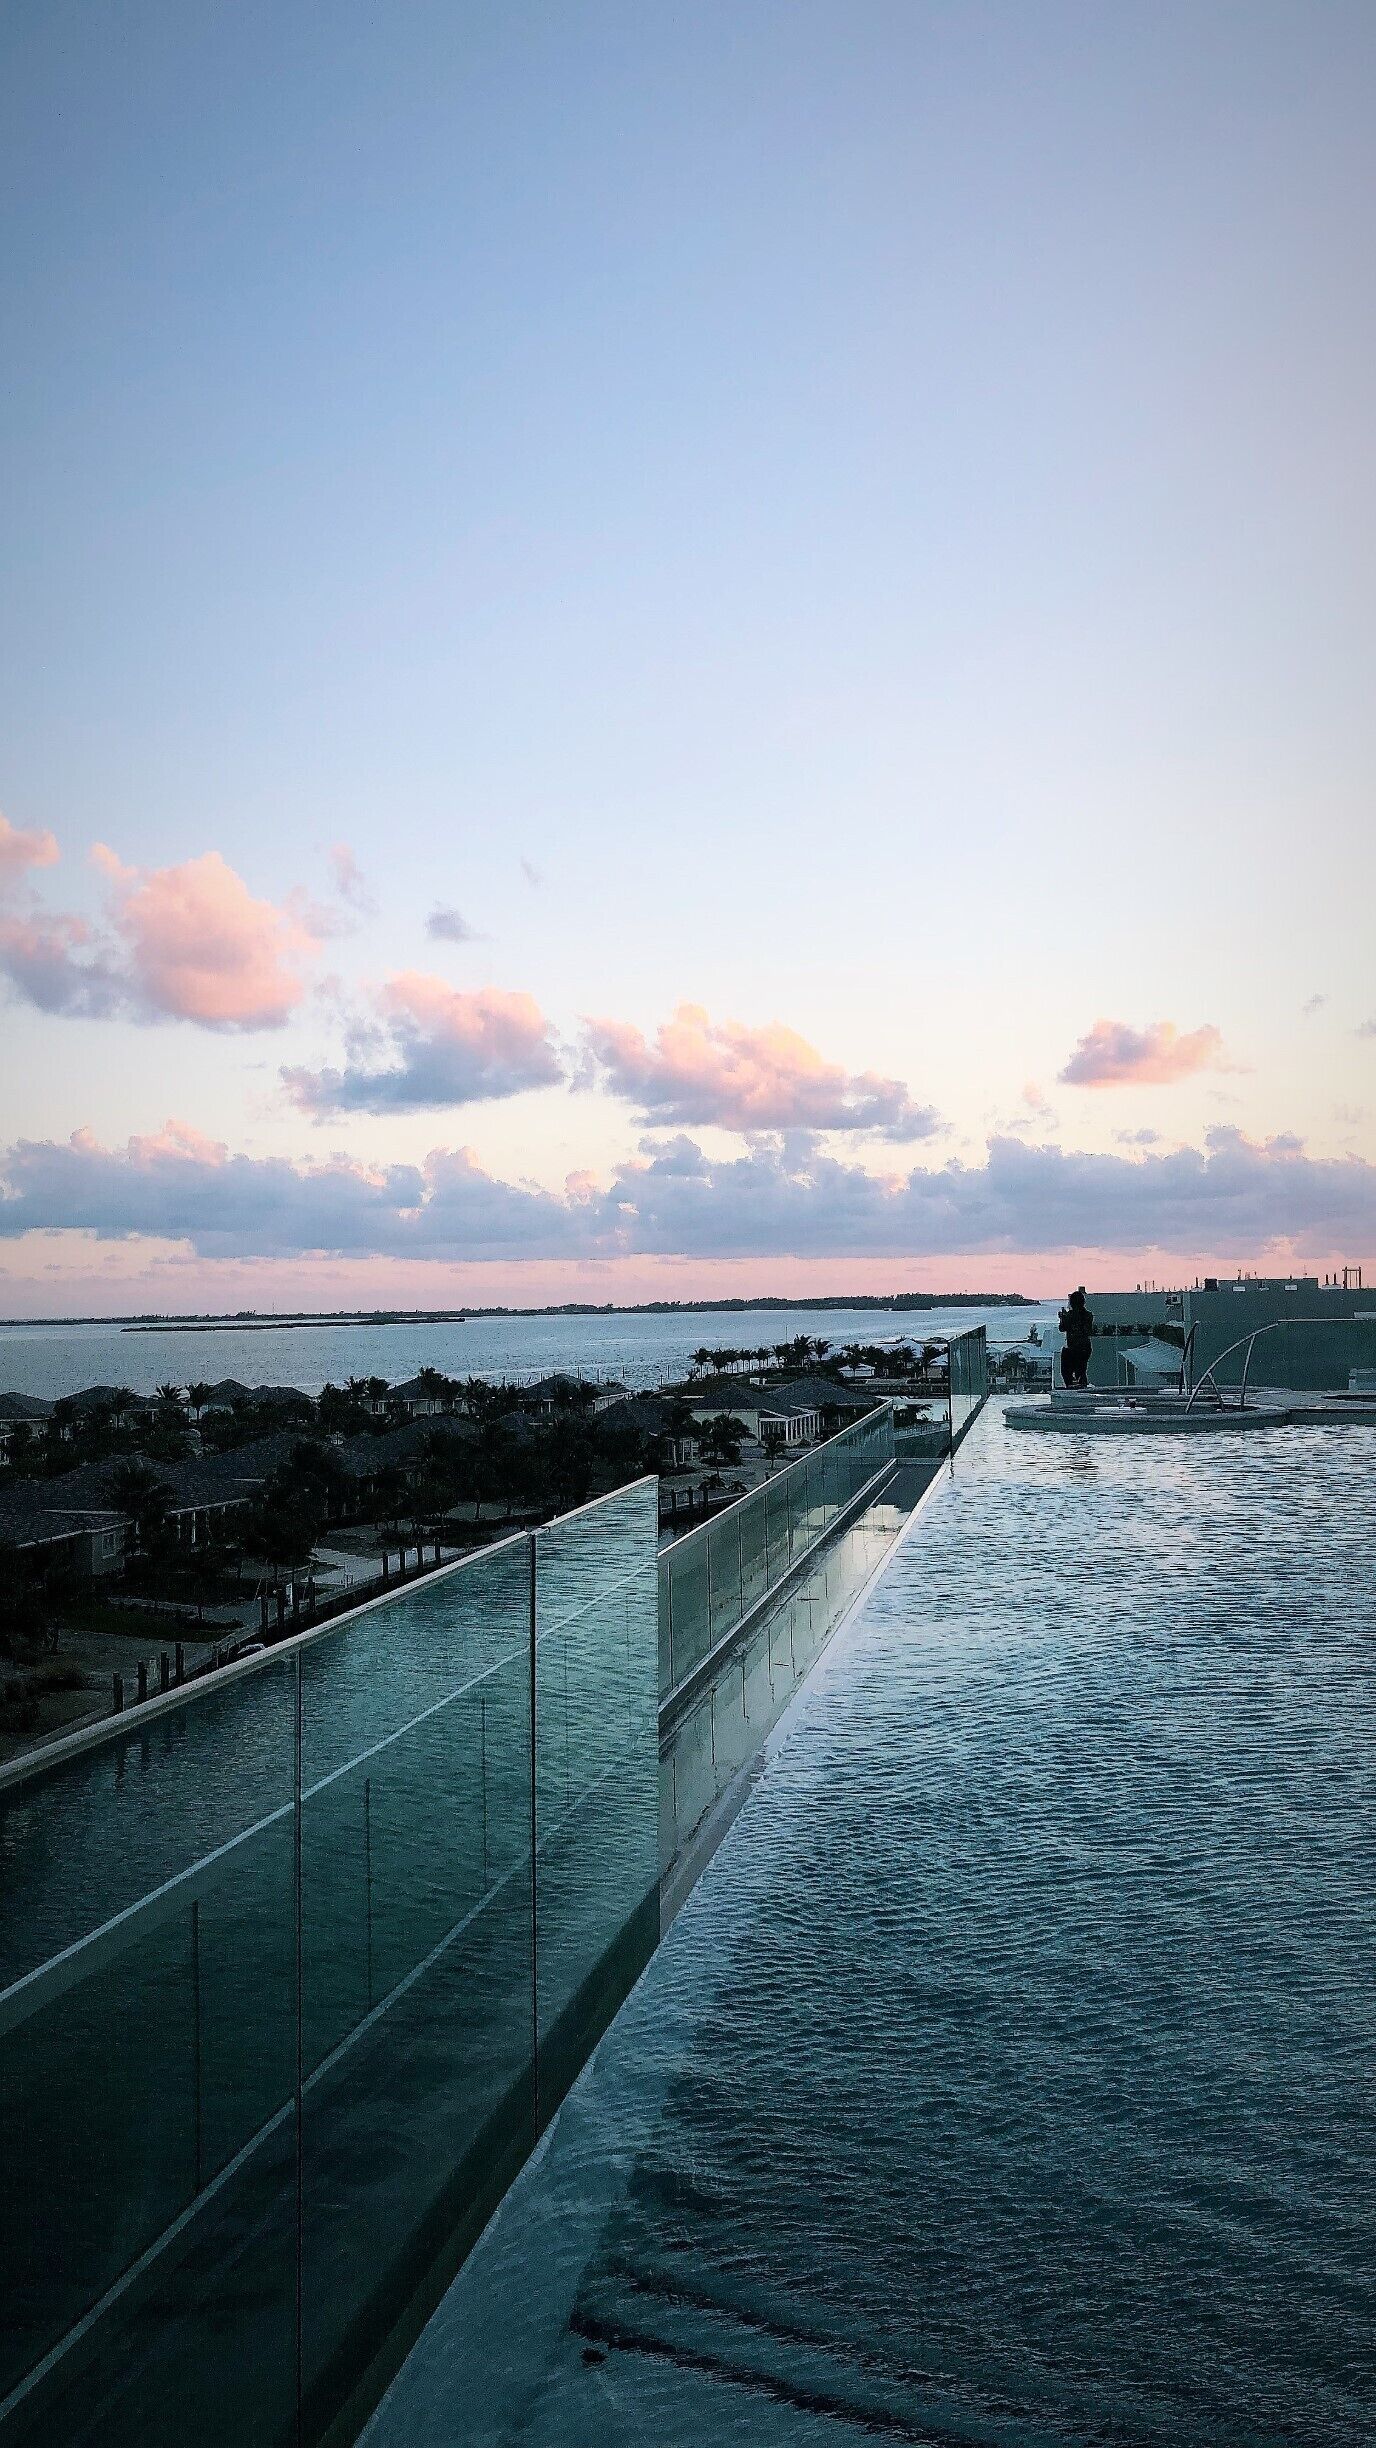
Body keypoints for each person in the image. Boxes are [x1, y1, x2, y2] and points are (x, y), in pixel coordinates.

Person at [1058, 1286, 1094, 1388]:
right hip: (1085, 1347)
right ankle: (1082, 1387)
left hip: (1073, 1347)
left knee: (1067, 1371)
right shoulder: (1088, 1315)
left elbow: (1062, 1328)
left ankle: (1071, 1387)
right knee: (1081, 1370)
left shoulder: (1070, 1315)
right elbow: (1088, 1330)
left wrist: (1062, 1318)